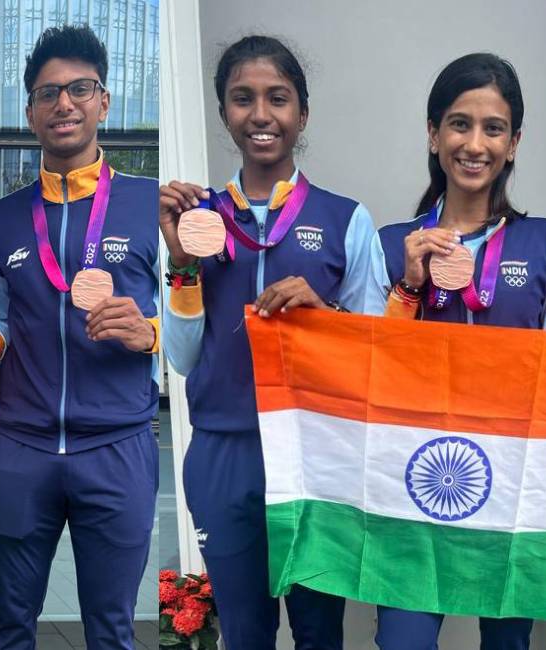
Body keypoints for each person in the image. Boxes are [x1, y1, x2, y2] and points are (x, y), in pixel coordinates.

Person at [160, 35, 386, 650]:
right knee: (246, 631)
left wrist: (327, 311)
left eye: (278, 99)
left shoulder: (346, 220)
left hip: (318, 454)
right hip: (224, 452)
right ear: (224, 113)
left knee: (319, 632)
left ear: (302, 114)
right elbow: (181, 358)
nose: (261, 115)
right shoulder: (198, 219)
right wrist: (181, 263)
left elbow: (375, 353)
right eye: (243, 99)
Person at [374, 52, 546, 650]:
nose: (475, 143)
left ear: (513, 143)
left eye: (493, 128)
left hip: (510, 486)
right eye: (460, 124)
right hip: (412, 481)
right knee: (402, 643)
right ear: (434, 134)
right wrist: (408, 286)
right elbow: (370, 372)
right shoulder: (388, 245)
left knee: (508, 645)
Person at [0, 25, 160, 649]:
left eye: (79, 88)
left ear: (104, 102)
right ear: (30, 111)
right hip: (22, 448)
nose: (64, 103)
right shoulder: (0, 219)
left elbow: (197, 322)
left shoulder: (149, 205)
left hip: (118, 445)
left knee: (111, 633)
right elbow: (0, 319)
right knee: (10, 630)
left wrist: (152, 330)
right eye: (48, 92)